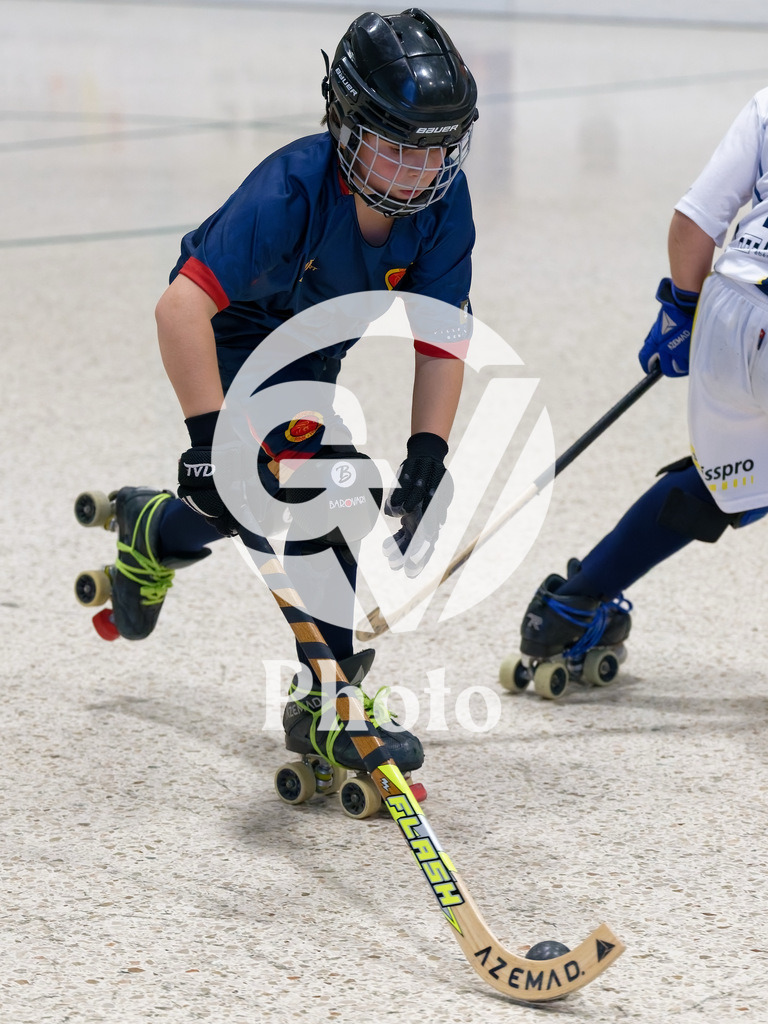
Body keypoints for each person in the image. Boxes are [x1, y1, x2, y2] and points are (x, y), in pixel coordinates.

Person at [81, 9, 479, 779]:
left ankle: (152, 531)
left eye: (435, 152)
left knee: (256, 498)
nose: (418, 173)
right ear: (348, 125)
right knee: (328, 485)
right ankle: (326, 706)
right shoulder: (290, 192)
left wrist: (429, 450)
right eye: (397, 148)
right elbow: (179, 308)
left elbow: (441, 339)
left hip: (306, 355)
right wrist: (209, 444)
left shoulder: (440, 208)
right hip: (227, 340)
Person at [516, 86, 768, 679]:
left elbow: (693, 224)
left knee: (721, 476)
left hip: (731, 304)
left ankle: (571, 607)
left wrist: (684, 311)